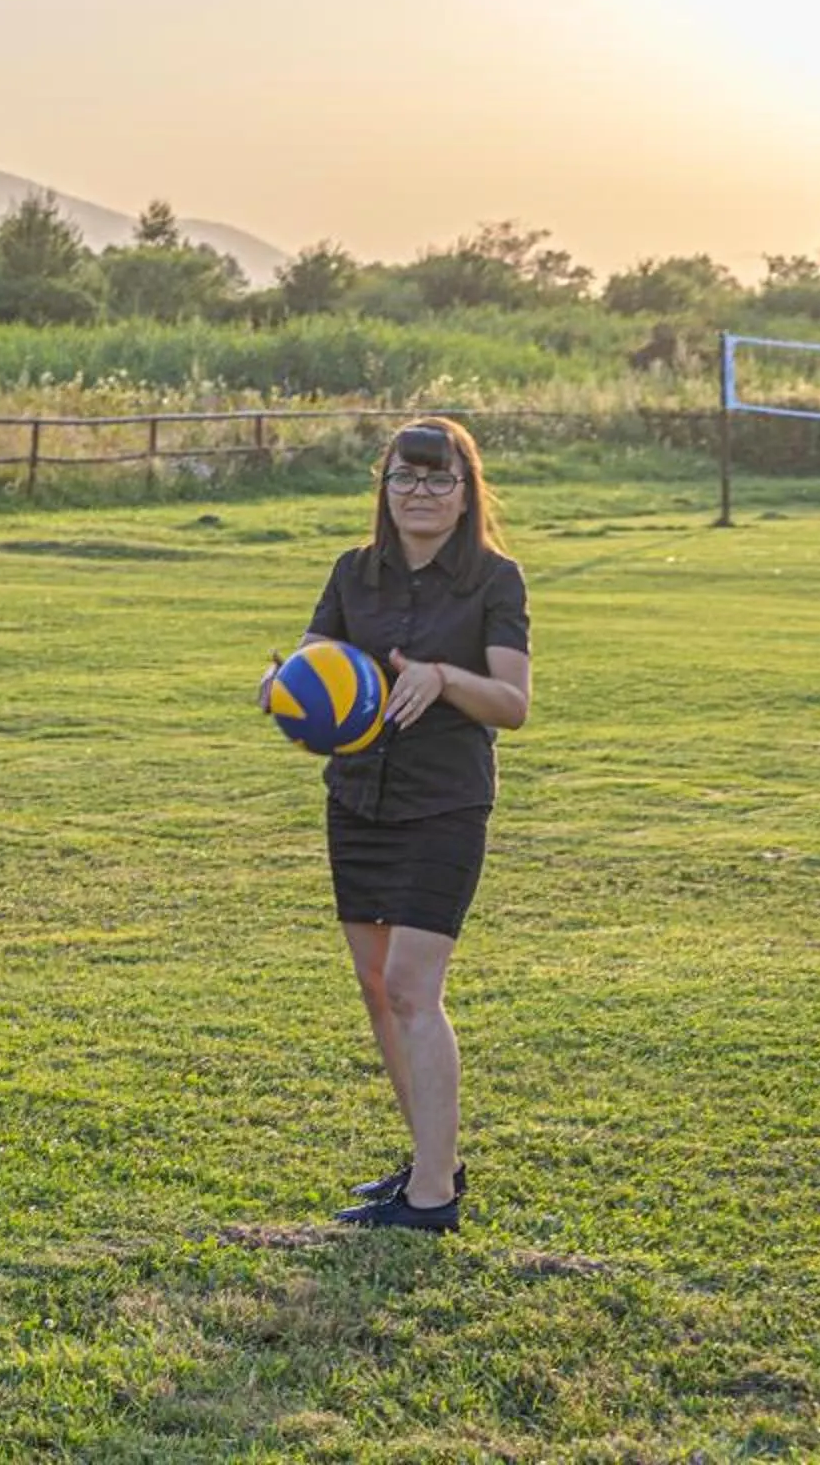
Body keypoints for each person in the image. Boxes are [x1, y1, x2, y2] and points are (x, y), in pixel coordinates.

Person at [263, 418, 532, 1232]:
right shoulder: (355, 572)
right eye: (405, 478)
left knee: (415, 988)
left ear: (466, 492)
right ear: (383, 488)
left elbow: (512, 704)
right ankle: (430, 1162)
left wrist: (443, 677)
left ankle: (433, 1199)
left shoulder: (494, 580)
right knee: (379, 989)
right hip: (358, 800)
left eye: (438, 478)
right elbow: (311, 660)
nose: (421, 493)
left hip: (445, 801)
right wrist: (281, 686)